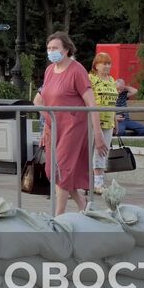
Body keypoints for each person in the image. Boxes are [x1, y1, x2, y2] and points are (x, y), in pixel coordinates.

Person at [35, 32, 107, 215]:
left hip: (73, 126)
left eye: (55, 48)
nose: (51, 52)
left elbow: (91, 103)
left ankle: (59, 216)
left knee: (62, 167)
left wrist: (98, 133)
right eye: (49, 48)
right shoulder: (50, 71)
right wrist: (46, 126)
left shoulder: (77, 70)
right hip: (54, 127)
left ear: (66, 50)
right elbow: (42, 100)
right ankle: (83, 205)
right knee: (53, 170)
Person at [89, 53, 120, 190]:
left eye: (109, 63)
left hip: (108, 122)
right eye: (104, 63)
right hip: (92, 121)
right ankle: (86, 181)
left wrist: (115, 120)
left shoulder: (112, 80)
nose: (107, 66)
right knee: (90, 151)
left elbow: (113, 103)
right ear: (96, 65)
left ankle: (98, 183)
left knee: (102, 152)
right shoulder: (91, 78)